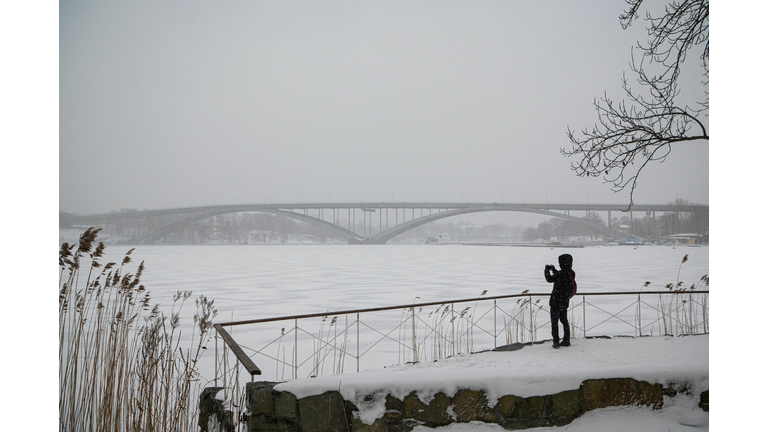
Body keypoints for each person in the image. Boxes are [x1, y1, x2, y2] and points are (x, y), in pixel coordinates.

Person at [544, 254, 575, 349]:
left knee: (554, 322)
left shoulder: (560, 274)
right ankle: (566, 340)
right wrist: (554, 270)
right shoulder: (571, 273)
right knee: (564, 321)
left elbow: (549, 279)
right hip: (564, 301)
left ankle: (556, 342)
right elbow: (561, 276)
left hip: (555, 301)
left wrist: (546, 270)